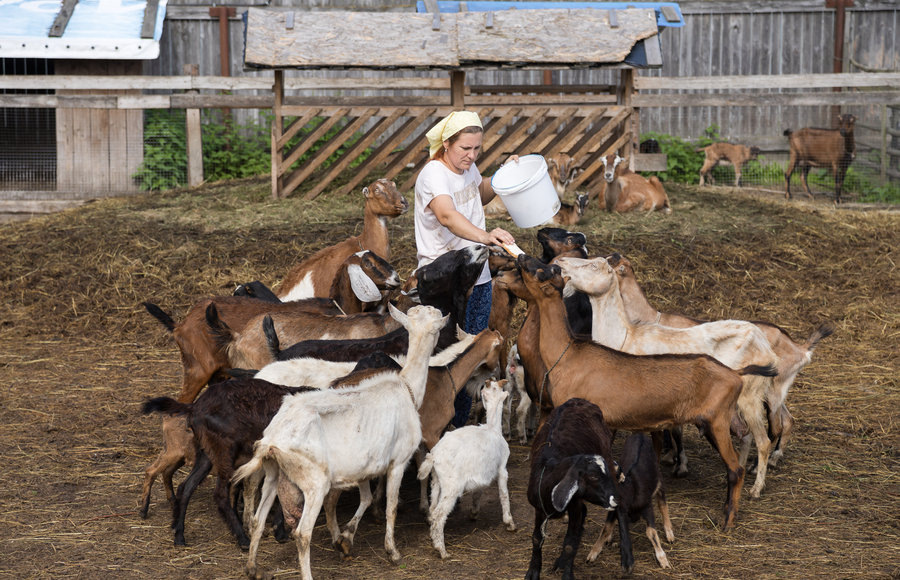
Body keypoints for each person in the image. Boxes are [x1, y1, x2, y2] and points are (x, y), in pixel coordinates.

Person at [414, 110, 517, 427]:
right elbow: (446, 215)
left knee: (470, 357)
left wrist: (501, 178)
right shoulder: (433, 175)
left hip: (478, 277)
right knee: (446, 359)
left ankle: (457, 426)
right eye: (465, 149)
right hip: (445, 283)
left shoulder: (468, 169)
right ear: (446, 144)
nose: (471, 156)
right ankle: (437, 426)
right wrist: (486, 237)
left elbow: (478, 194)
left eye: (477, 149)